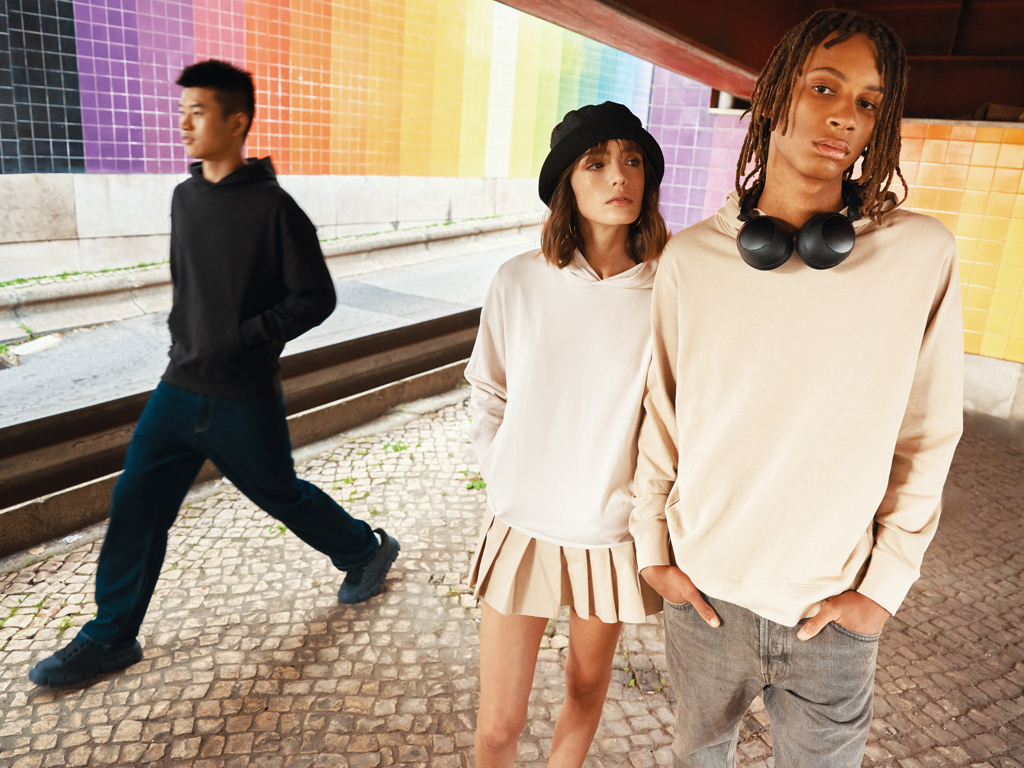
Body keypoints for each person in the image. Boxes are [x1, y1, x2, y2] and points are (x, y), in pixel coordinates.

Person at [631, 10, 963, 766]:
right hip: (704, 597)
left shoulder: (921, 255)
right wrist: (653, 552)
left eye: (869, 102)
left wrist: (882, 589)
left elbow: (928, 434)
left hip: (831, 614)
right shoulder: (691, 260)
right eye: (825, 87)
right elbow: (663, 415)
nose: (847, 116)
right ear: (776, 94)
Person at [29, 60, 399, 689]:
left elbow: (315, 297)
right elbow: (190, 286)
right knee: (136, 505)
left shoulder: (276, 210)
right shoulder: (185, 197)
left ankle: (366, 549)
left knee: (280, 494)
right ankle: (110, 637)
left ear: (236, 122)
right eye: (183, 111)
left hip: (241, 398)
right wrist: (188, 337)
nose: (183, 124)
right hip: (177, 389)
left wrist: (246, 338)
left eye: (197, 112)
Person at [466, 101, 670, 767]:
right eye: (597, 163)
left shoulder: (668, 289)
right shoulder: (519, 280)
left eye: (633, 161)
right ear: (567, 184)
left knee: (585, 687)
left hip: (608, 531)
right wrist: (503, 475)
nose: (620, 176)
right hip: (522, 523)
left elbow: (672, 415)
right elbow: (488, 390)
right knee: (499, 724)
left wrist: (641, 511)